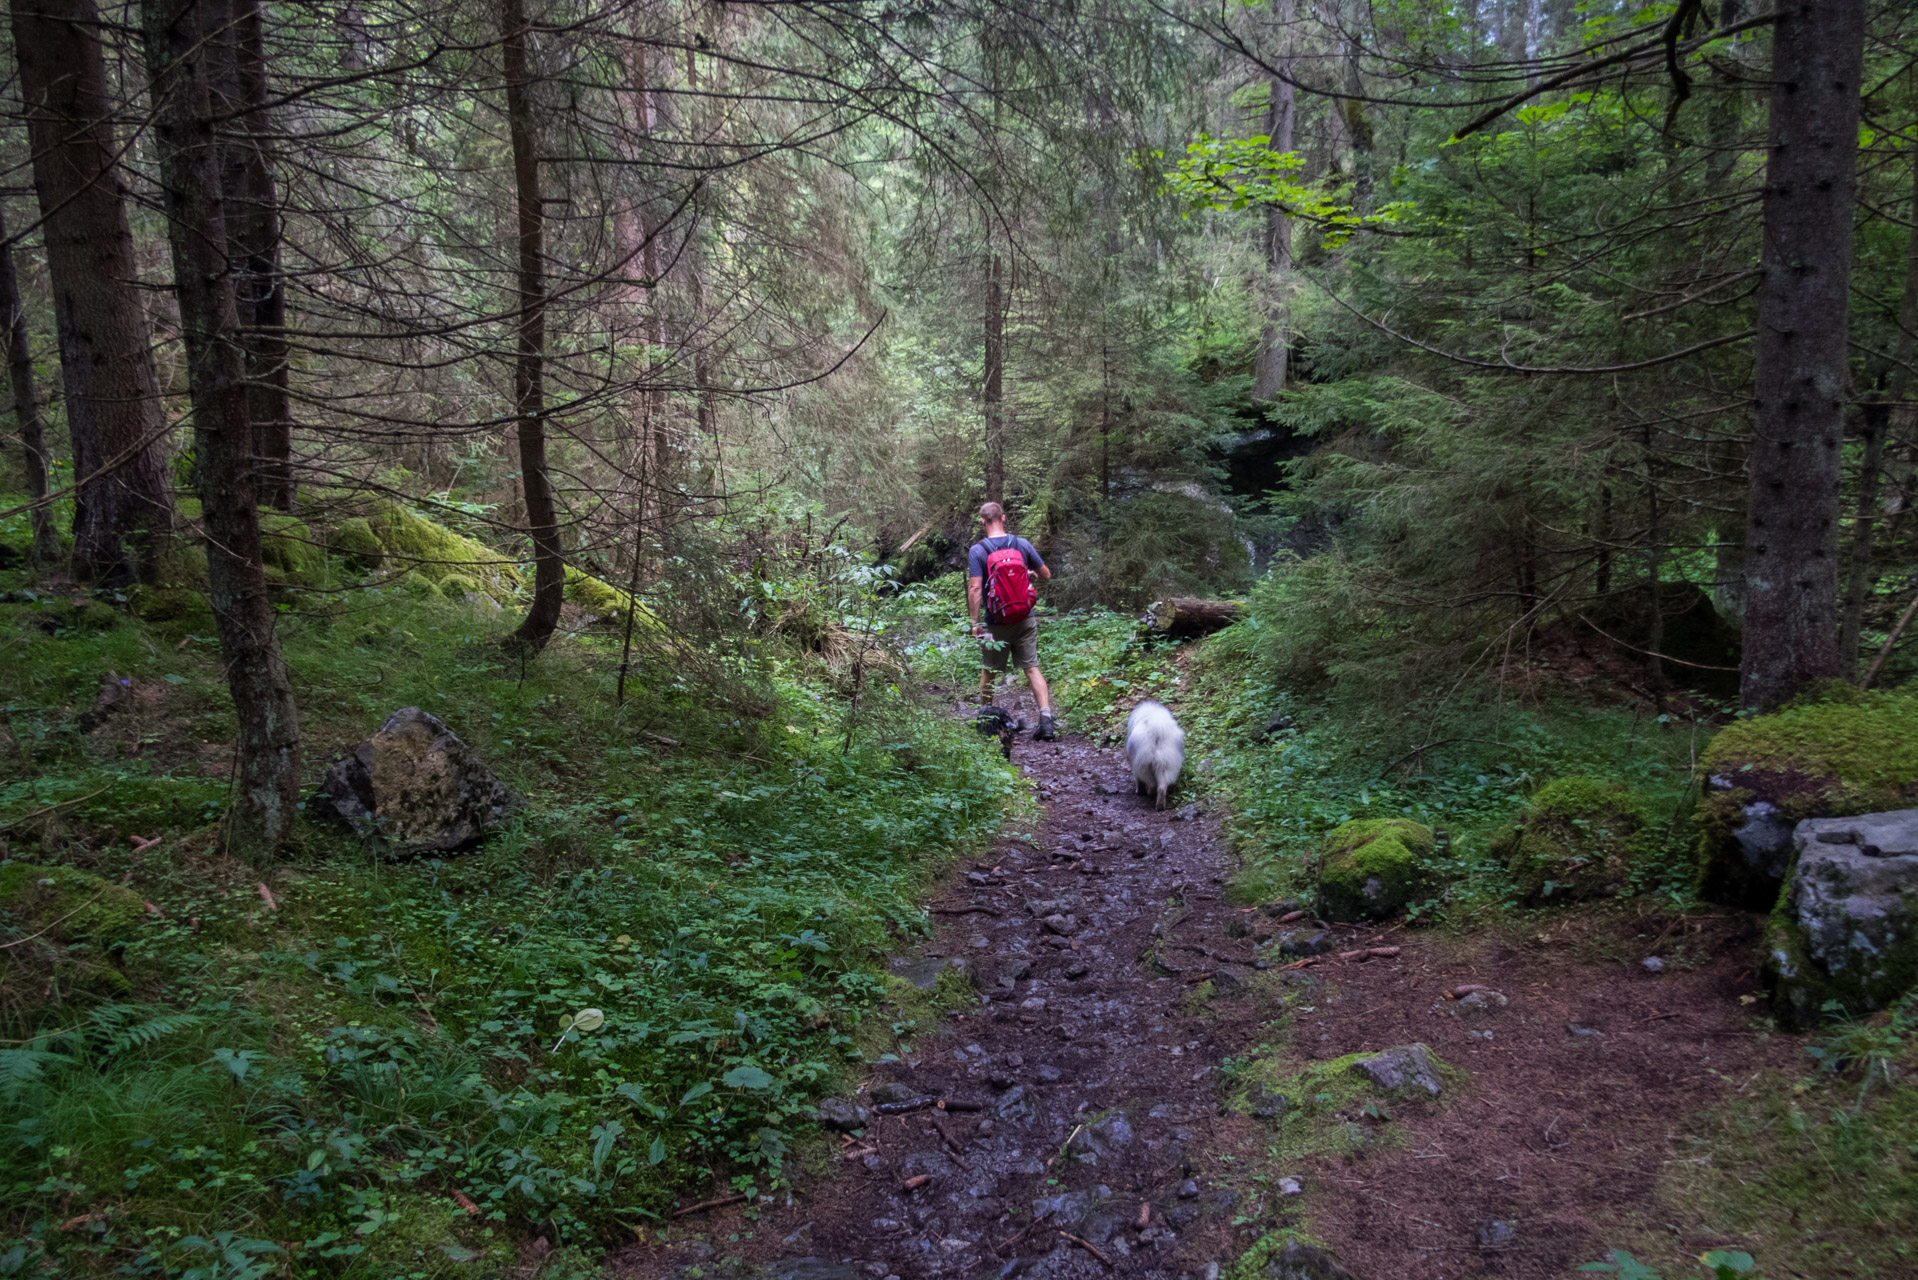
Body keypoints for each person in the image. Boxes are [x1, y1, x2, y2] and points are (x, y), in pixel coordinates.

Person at [966, 501, 1056, 740]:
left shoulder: (978, 551)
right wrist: (1032, 574)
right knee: (1032, 668)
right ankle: (1046, 719)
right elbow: (1046, 574)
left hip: (995, 623)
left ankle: (986, 721)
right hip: (1026, 618)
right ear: (1003, 518)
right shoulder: (1021, 544)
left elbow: (975, 588)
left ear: (982, 521)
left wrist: (974, 622)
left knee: (989, 670)